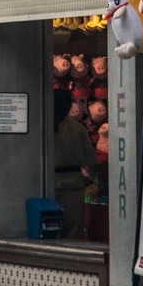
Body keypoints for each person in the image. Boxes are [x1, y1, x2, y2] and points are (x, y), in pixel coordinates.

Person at [53, 91, 95, 238]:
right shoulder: (79, 129)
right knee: (73, 228)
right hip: (74, 183)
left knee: (51, 226)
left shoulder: (46, 127)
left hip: (51, 182)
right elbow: (90, 158)